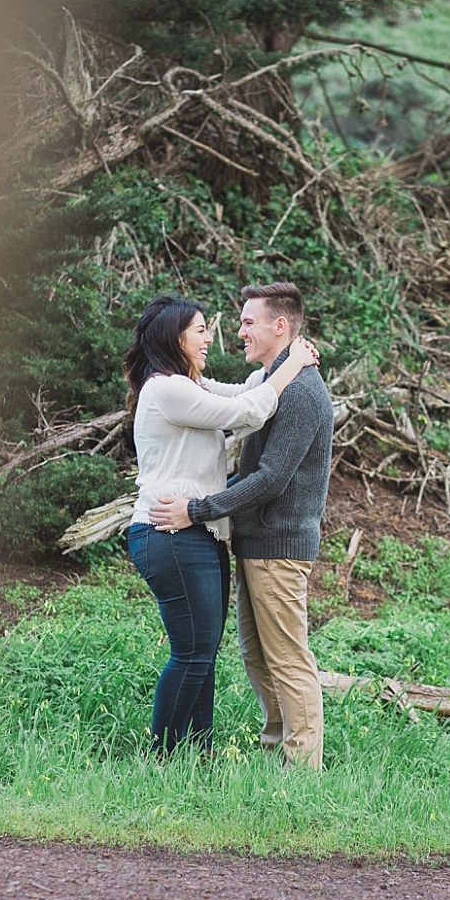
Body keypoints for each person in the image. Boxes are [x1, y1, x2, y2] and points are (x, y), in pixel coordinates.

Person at [123, 295, 318, 757]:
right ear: (175, 338)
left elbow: (243, 391)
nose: (211, 337)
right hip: (169, 533)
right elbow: (246, 412)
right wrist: (293, 363)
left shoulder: (188, 385)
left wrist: (280, 364)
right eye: (200, 330)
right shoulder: (167, 389)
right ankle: (165, 758)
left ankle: (199, 754)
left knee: (202, 653)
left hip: (199, 532)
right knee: (191, 654)